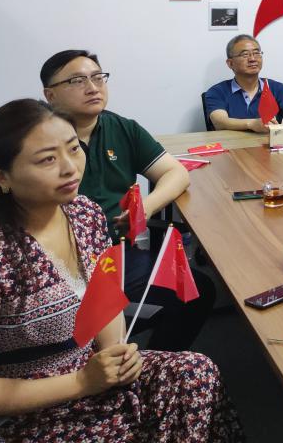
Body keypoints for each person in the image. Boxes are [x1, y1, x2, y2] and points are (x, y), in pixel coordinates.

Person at [0, 99, 243, 441]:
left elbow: (106, 295)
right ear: (1, 176)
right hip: (33, 409)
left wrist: (117, 352)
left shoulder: (85, 213)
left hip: (94, 374)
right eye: (47, 160)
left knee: (197, 372)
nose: (70, 168)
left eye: (74, 149)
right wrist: (81, 382)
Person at [41, 50, 214, 352]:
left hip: (118, 254)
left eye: (98, 78)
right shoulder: (38, 138)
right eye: (77, 81)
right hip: (61, 262)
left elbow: (175, 173)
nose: (93, 87)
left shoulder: (121, 128)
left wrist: (144, 208)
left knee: (196, 292)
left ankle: (153, 364)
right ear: (50, 94)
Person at [204, 35, 283, 131]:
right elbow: (220, 122)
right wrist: (251, 124)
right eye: (245, 55)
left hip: (269, 142)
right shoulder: (217, 92)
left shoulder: (278, 88)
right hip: (232, 143)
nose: (252, 59)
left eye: (256, 53)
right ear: (230, 63)